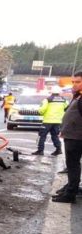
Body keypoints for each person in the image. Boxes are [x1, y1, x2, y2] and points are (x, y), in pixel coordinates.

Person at [51, 72, 82, 203]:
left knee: (73, 165)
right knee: (72, 165)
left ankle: (70, 193)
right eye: (73, 82)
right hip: (71, 135)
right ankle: (71, 187)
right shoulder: (78, 96)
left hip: (77, 137)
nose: (74, 84)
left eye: (78, 82)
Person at [33, 86, 68, 156]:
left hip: (47, 121)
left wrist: (41, 113)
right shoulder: (64, 100)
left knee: (42, 136)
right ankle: (58, 149)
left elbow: (41, 110)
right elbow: (67, 109)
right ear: (59, 92)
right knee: (55, 135)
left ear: (51, 92)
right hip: (58, 121)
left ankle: (40, 151)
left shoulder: (47, 100)